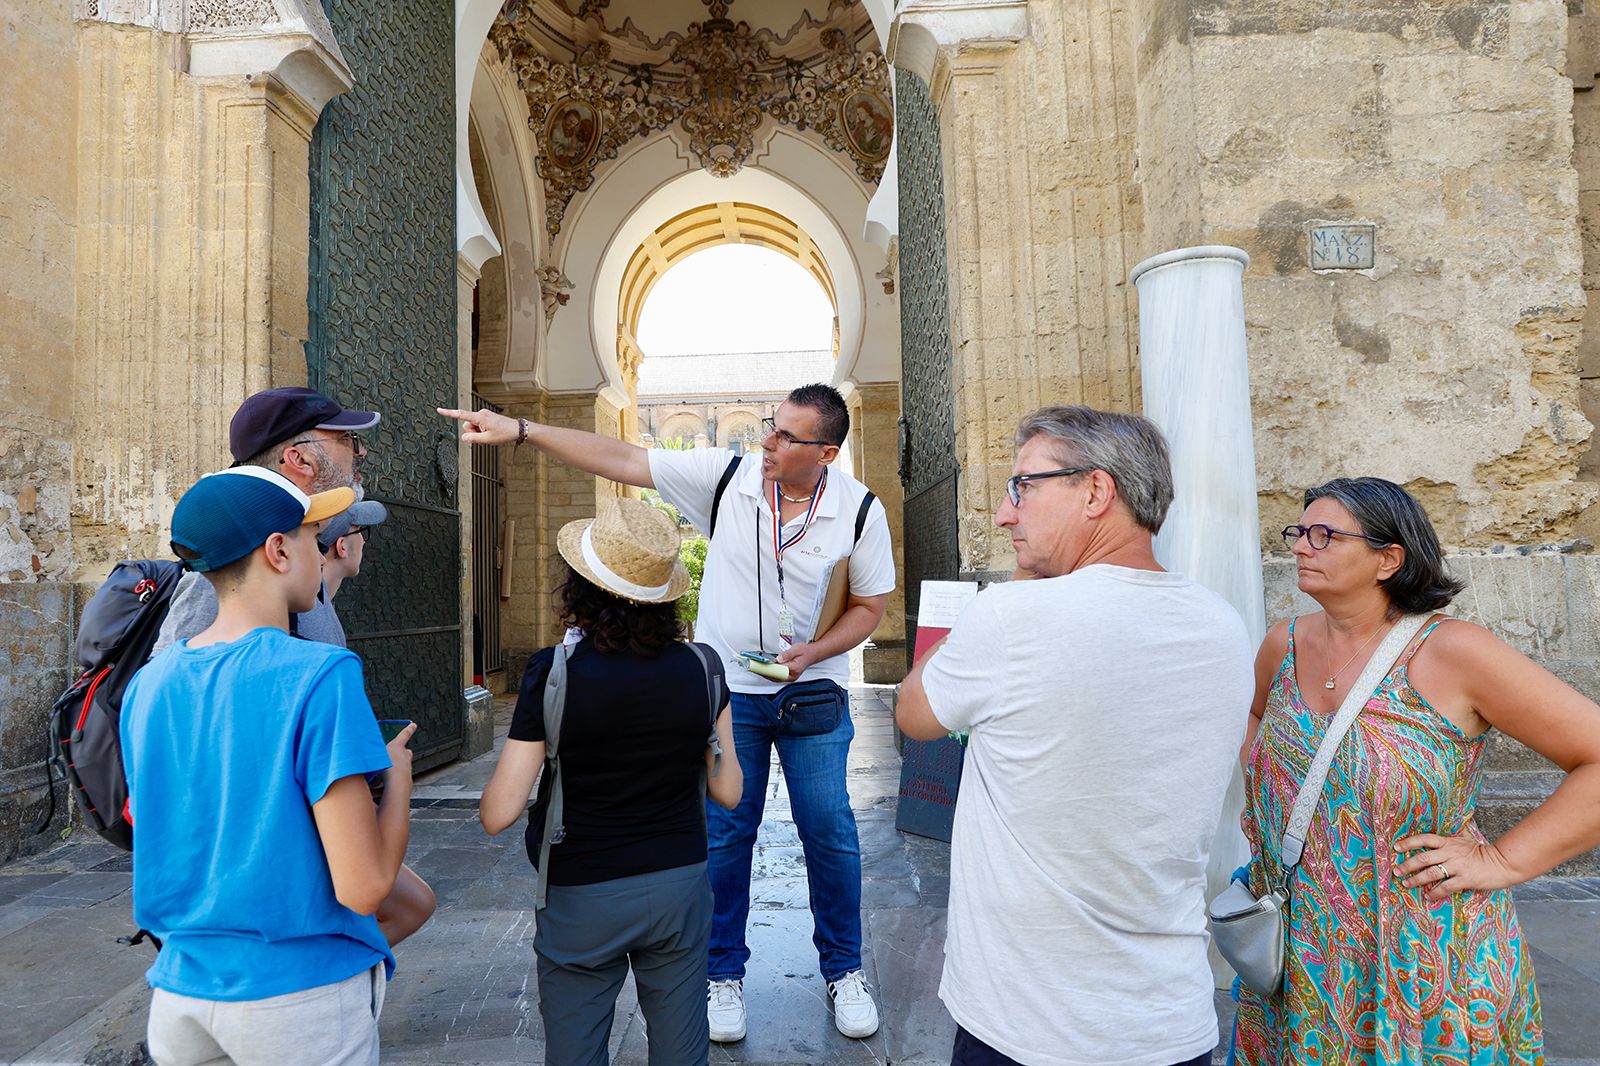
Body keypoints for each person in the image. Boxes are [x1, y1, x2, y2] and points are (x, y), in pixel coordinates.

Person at [441, 383, 895, 1042]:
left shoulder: (859, 511)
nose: (767, 441)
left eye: (787, 436)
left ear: (825, 452)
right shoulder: (728, 477)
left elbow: (870, 609)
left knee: (829, 829)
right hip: (732, 692)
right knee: (725, 830)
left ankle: (844, 969)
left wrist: (813, 653)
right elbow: (623, 459)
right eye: (771, 426)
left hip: (814, 689)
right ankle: (722, 974)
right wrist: (520, 430)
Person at [895, 405, 1255, 1066]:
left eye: (1023, 486)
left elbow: (915, 714)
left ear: (1096, 491)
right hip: (1171, 1024)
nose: (1006, 514)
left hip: (1027, 1028)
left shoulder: (1013, 616)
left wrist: (1014, 589)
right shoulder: (1224, 626)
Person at [1230, 478, 1600, 1063]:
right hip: (1297, 952)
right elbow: (1255, 716)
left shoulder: (1452, 652)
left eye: (1324, 535)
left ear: (1388, 558)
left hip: (1424, 955)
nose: (1300, 546)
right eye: (1298, 532)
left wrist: (1503, 860)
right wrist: (1269, 807)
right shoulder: (1286, 643)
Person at [121, 467, 416, 1066]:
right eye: (312, 536)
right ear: (278, 550)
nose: (321, 548)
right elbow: (365, 887)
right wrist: (399, 776)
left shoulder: (148, 685)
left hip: (179, 995)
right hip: (296, 999)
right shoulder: (320, 674)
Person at [154, 386, 434, 948]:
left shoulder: (301, 577)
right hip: (264, 845)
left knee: (407, 905)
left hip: (308, 827)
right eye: (348, 441)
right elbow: (187, 713)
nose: (360, 455)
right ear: (300, 459)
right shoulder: (231, 582)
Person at [478, 497, 743, 1066]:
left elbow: (498, 812)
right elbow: (728, 791)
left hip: (582, 892)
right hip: (679, 884)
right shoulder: (703, 667)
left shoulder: (554, 672)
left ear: (582, 585)